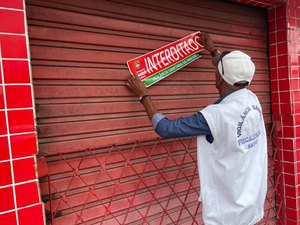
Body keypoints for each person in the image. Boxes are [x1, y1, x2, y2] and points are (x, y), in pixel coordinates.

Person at [126, 33, 267, 225]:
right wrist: (213, 50)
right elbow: (231, 75)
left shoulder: (216, 115)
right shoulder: (252, 99)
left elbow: (165, 128)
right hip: (249, 200)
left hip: (228, 210)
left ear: (218, 77)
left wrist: (143, 95)